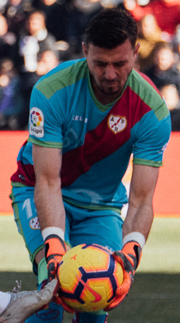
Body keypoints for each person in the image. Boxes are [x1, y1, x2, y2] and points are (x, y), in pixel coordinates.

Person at [9, 8, 171, 323]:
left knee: (96, 306)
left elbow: (140, 199)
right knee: (52, 297)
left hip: (102, 207)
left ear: (136, 54)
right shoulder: (51, 91)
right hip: (36, 190)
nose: (110, 74)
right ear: (85, 51)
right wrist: (54, 244)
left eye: (120, 64)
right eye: (100, 63)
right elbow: (48, 181)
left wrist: (131, 253)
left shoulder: (153, 110)